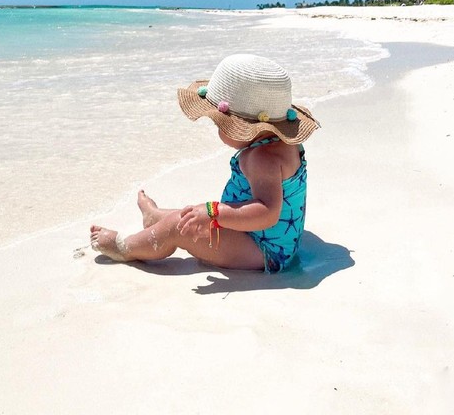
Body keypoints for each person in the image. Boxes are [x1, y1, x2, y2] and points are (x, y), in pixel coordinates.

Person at [90, 53, 320, 273]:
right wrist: (211, 213)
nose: (218, 129)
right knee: (191, 215)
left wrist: (215, 212)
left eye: (220, 124)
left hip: (263, 250)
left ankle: (125, 247)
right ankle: (155, 217)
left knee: (180, 229)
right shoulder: (283, 144)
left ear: (246, 126)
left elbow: (268, 213)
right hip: (270, 238)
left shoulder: (263, 159)